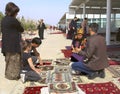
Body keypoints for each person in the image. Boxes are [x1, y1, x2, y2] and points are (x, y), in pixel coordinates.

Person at [1, 2, 24, 80]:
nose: (17, 14)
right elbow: (21, 29)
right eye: (16, 12)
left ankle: (8, 75)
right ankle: (13, 76)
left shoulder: (3, 20)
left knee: (8, 60)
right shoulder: (13, 20)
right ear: (12, 12)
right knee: (15, 61)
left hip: (6, 44)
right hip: (13, 45)